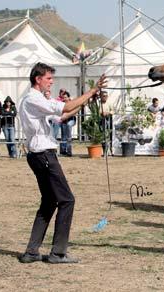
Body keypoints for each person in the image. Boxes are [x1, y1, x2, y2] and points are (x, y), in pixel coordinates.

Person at [18, 62, 107, 264]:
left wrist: (85, 100)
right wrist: (92, 90)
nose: (52, 82)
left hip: (39, 155)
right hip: (44, 155)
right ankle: (57, 253)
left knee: (49, 202)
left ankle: (32, 252)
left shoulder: (36, 99)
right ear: (37, 79)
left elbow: (62, 116)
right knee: (67, 200)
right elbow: (65, 106)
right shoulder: (33, 99)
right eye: (49, 78)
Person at [59, 92, 76, 157]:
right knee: (63, 136)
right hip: (63, 121)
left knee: (68, 128)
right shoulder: (61, 104)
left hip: (71, 120)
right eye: (63, 97)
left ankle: (69, 151)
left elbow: (74, 112)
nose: (64, 98)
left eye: (66, 97)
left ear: (68, 97)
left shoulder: (72, 103)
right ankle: (63, 151)